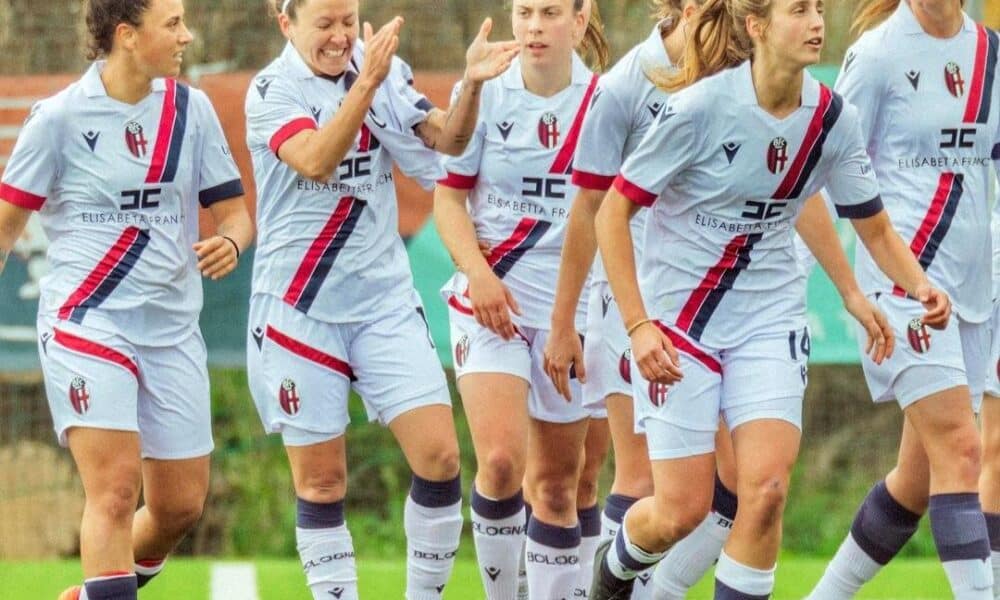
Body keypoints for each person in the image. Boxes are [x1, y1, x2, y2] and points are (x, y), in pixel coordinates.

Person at [586, 0, 950, 596]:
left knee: (767, 491)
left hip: (769, 320)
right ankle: (615, 566)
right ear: (757, 27)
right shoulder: (699, 109)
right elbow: (612, 213)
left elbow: (873, 225)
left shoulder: (830, 118)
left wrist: (913, 286)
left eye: (819, 9)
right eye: (798, 10)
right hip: (681, 324)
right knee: (681, 509)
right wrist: (637, 325)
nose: (817, 22)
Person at [243, 1, 518, 599]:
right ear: (286, 23)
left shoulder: (380, 69)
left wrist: (471, 84)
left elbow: (447, 140)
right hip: (300, 308)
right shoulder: (271, 90)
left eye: (348, 21)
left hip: (382, 302)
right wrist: (366, 82)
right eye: (324, 24)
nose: (340, 37)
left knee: (441, 459)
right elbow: (316, 160)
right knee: (322, 483)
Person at [0, 1, 253, 599]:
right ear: (127, 36)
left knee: (179, 506)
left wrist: (230, 243)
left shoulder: (192, 111)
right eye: (173, 24)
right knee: (114, 491)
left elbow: (236, 216)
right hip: (85, 323)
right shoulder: (58, 119)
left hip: (171, 331)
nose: (187, 35)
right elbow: (5, 229)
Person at [804, 1, 999, 598]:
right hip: (904, 289)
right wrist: (842, 283)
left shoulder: (991, 55)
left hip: (974, 294)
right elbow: (819, 174)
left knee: (916, 482)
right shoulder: (877, 55)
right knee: (962, 451)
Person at [433, 0, 609, 597]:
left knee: (560, 487)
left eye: (550, 12)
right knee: (502, 462)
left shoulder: (605, 103)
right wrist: (477, 273)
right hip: (491, 306)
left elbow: (614, 217)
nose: (534, 26)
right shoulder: (485, 90)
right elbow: (448, 199)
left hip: (569, 317)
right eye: (524, 12)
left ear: (580, 21)